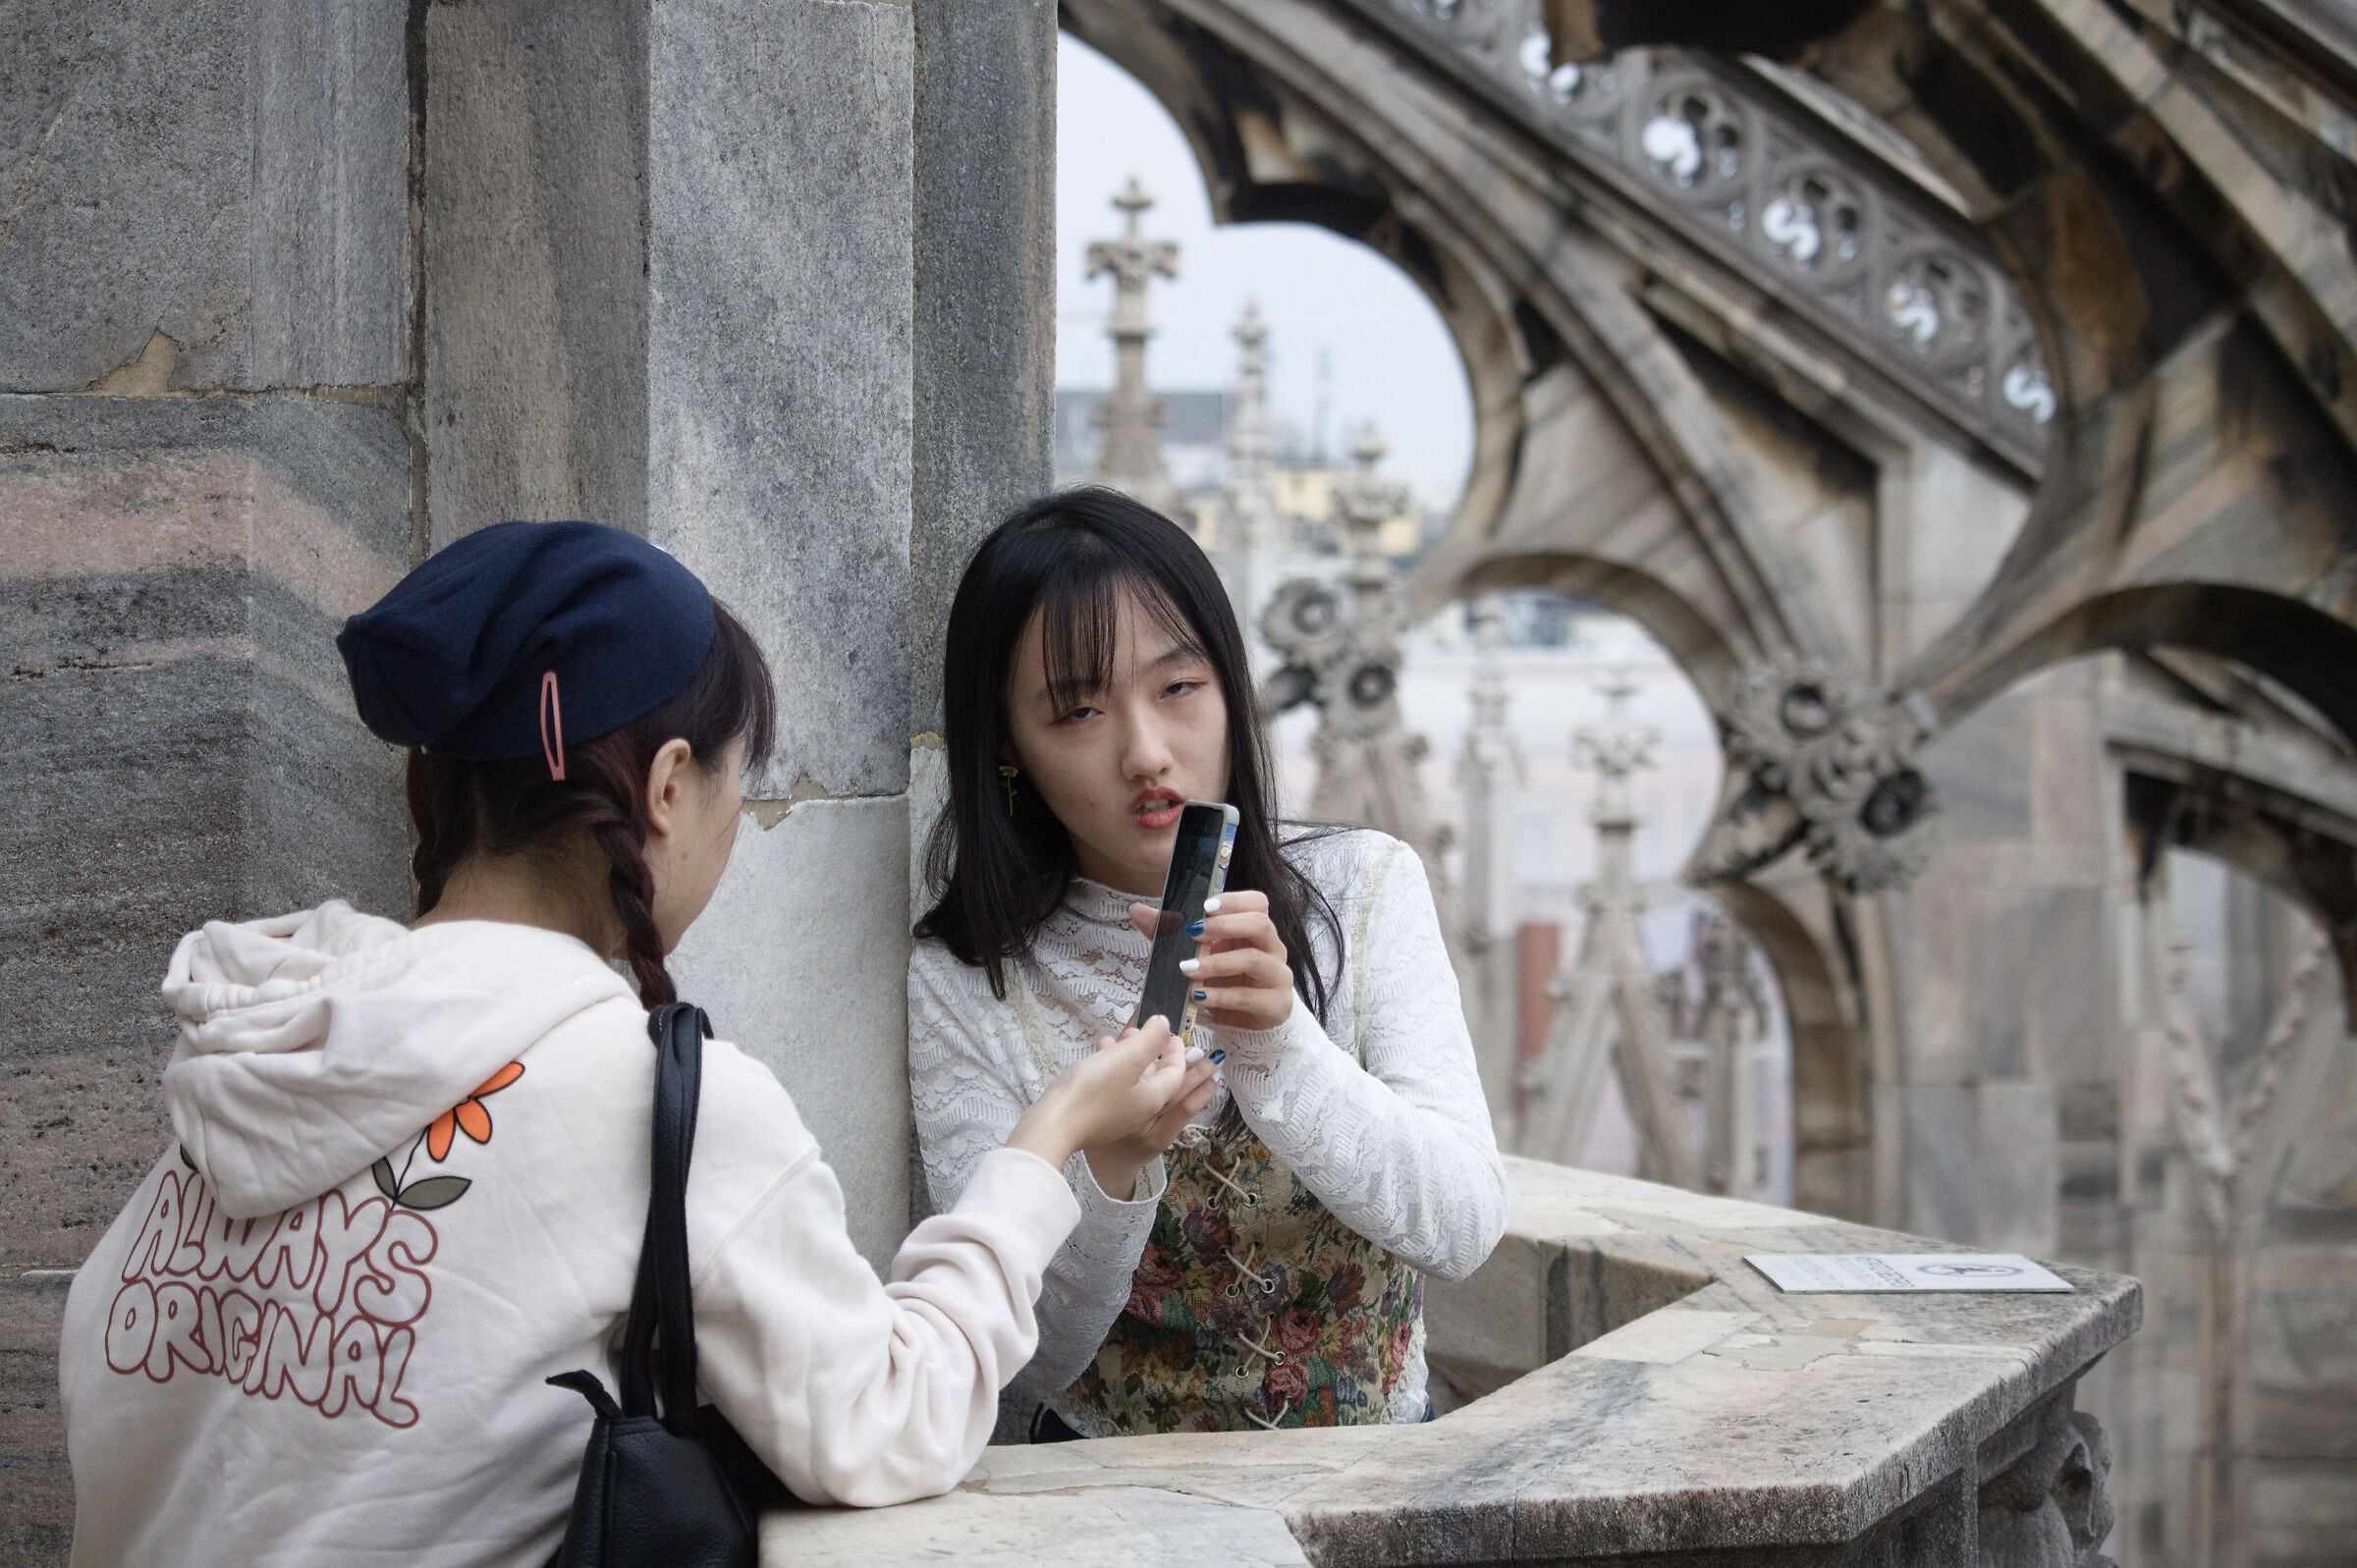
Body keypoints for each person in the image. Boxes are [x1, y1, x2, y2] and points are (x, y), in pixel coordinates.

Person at [58, 520, 1202, 1568]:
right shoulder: (651, 1095)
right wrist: (1049, 1138)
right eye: (734, 786)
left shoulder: (255, 1041)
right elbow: (889, 1421)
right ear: (667, 788)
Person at [908, 488, 1507, 1439]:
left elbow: (1465, 1222)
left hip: (1372, 1494)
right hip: (1112, 1513)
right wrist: (1109, 1167)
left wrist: (1279, 1047)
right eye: (1078, 712)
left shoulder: (1364, 889)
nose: (1146, 752)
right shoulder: (975, 975)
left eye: (1178, 688)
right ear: (1008, 749)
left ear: (1232, 690)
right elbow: (1024, 1363)